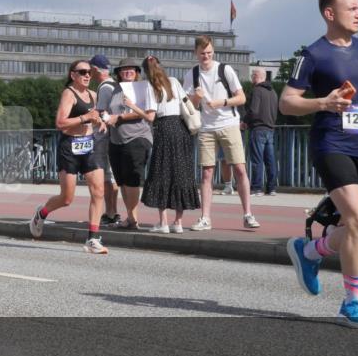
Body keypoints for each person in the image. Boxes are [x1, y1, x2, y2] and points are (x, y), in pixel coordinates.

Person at [281, 0, 358, 328]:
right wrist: (323, 102)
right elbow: (287, 102)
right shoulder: (314, 54)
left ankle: (309, 251)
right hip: (331, 144)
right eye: (351, 8)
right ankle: (352, 302)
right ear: (329, 13)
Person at [29, 60, 108, 253]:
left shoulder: (93, 95)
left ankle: (93, 239)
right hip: (70, 147)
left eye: (89, 72)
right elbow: (60, 122)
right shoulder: (69, 94)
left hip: (89, 145)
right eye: (82, 72)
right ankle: (42, 212)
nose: (87, 75)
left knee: (98, 191)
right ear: (72, 75)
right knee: (66, 198)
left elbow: (98, 116)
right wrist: (85, 118)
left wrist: (101, 122)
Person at [184, 35, 260, 231]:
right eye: (202, 53)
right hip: (206, 127)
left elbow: (241, 98)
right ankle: (205, 218)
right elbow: (187, 105)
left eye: (209, 53)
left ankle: (248, 214)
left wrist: (222, 102)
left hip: (229, 124)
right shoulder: (191, 74)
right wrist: (195, 97)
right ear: (196, 53)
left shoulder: (224, 69)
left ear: (213, 52)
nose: (205, 56)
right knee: (207, 173)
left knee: (240, 169)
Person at [140, 56, 198, 233]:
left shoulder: (150, 87)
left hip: (164, 128)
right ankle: (178, 223)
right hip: (181, 129)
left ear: (145, 71)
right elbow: (185, 103)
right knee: (181, 172)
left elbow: (150, 117)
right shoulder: (173, 81)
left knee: (162, 172)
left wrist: (132, 107)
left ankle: (163, 222)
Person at [103, 58, 157, 229]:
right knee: (123, 181)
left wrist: (119, 117)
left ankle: (133, 218)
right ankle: (130, 218)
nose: (127, 72)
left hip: (137, 137)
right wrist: (105, 117)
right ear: (118, 73)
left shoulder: (143, 87)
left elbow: (147, 113)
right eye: (123, 70)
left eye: (131, 70)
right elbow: (110, 111)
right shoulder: (115, 90)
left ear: (137, 72)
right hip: (116, 139)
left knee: (132, 179)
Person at [90, 54, 120, 225]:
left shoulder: (104, 88)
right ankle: (112, 212)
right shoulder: (114, 85)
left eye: (90, 70)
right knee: (111, 175)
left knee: (106, 175)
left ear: (95, 69)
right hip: (114, 135)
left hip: (103, 136)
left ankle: (110, 212)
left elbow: (101, 113)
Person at [242, 69, 278, 196]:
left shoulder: (257, 90)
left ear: (256, 76)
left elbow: (253, 110)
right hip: (270, 128)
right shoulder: (273, 91)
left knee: (257, 160)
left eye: (252, 75)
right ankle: (272, 188)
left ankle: (257, 188)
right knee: (270, 160)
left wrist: (244, 121)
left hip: (257, 129)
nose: (251, 78)